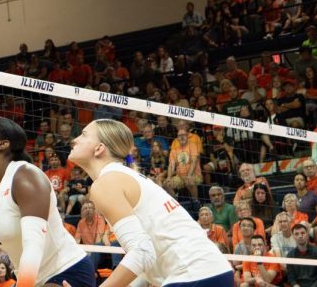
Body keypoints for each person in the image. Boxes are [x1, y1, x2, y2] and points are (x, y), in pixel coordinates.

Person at [67, 119, 233, 287]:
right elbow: (148, 257)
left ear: (99, 148)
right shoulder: (123, 175)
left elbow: (142, 252)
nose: (75, 139)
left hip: (194, 276)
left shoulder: (107, 182)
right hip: (213, 271)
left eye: (84, 134)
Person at [0, 117, 95, 287]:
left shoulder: (26, 177)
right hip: (30, 279)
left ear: (2, 144)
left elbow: (33, 247)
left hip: (67, 271)